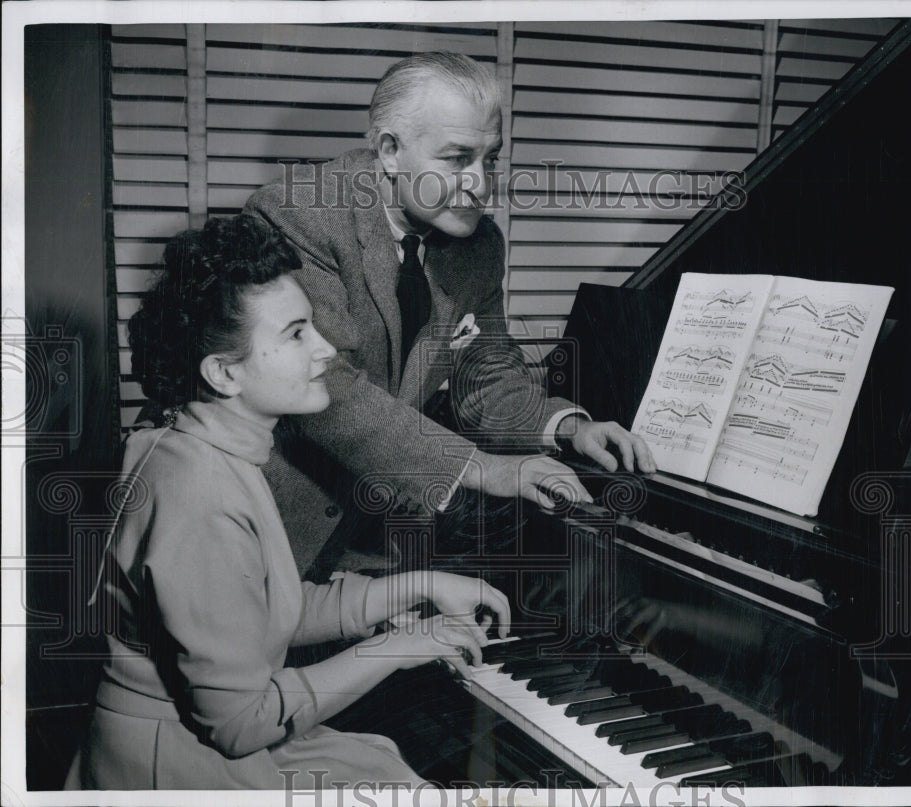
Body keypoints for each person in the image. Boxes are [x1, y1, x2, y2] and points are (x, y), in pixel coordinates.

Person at [65, 215, 510, 790]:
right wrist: (400, 646)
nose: (326, 349)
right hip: (177, 766)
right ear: (224, 373)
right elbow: (239, 724)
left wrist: (416, 586)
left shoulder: (198, 446)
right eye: (297, 334)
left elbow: (258, 611)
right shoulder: (200, 494)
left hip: (204, 741)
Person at [245, 52, 655, 577]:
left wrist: (570, 427)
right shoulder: (299, 214)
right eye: (458, 159)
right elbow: (326, 387)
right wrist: (483, 468)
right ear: (390, 151)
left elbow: (485, 375)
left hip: (372, 534)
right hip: (267, 524)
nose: (481, 184)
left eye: (491, 159)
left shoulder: (479, 245)